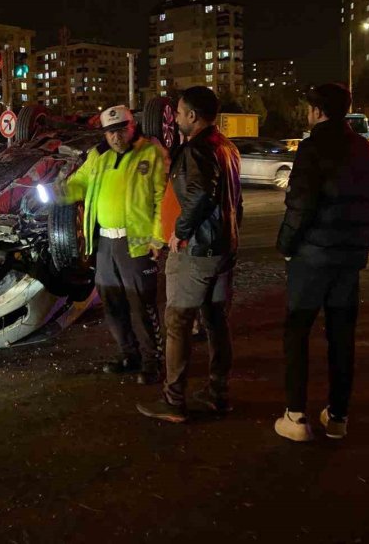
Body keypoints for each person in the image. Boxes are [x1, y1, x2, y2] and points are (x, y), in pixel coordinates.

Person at [274, 83, 369, 442]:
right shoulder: (367, 152)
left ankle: (296, 416)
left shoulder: (312, 148)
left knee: (297, 332)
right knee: (342, 337)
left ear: (317, 111)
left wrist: (286, 246)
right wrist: (360, 242)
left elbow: (300, 206)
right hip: (348, 262)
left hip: (311, 259)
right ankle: (338, 416)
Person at [137, 87, 242, 423]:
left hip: (198, 251)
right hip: (223, 248)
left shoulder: (196, 150)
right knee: (215, 320)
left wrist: (179, 232)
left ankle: (173, 400)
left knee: (178, 322)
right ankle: (217, 393)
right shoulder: (226, 146)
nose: (176, 118)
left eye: (180, 112)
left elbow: (199, 195)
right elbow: (234, 202)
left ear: (193, 116)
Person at [57, 105, 167, 384]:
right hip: (105, 242)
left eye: (121, 130)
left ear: (133, 126)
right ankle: (129, 356)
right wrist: (62, 190)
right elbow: (79, 183)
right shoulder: (98, 157)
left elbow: (163, 198)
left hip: (137, 244)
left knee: (143, 307)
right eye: (110, 132)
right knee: (113, 304)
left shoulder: (151, 154)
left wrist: (158, 238)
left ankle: (153, 362)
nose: (116, 137)